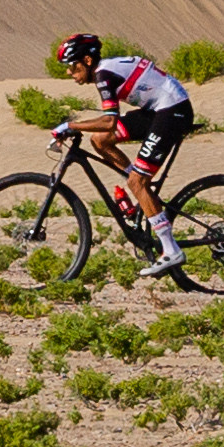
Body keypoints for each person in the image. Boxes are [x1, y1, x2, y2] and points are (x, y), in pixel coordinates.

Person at [53, 33, 197, 278]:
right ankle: (141, 191)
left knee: (137, 182)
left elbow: (109, 121)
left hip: (172, 111)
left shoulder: (103, 75)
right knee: (100, 141)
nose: (69, 72)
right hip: (158, 109)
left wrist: (71, 126)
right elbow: (107, 128)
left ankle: (171, 250)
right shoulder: (104, 70)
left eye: (73, 66)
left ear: (87, 61)